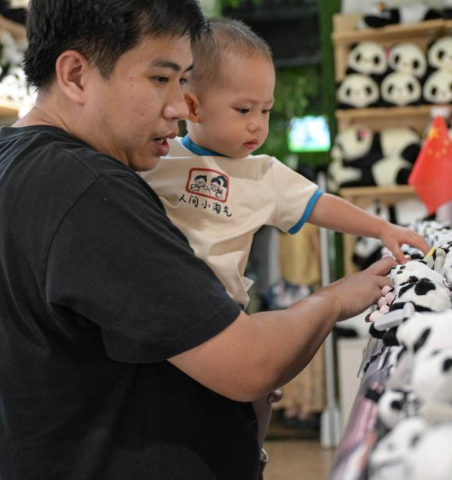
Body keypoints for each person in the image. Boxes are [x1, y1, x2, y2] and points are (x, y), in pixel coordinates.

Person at [0, 2, 394, 479]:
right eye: (160, 79)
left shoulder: (7, 159)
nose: (178, 105)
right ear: (76, 75)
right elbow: (250, 363)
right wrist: (334, 299)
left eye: (184, 80)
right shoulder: (87, 186)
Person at [140, 18, 429, 454]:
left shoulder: (264, 173)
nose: (258, 125)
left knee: (254, 398)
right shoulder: (158, 160)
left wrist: (381, 227)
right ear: (193, 107)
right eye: (244, 110)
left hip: (224, 315)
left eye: (266, 110)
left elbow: (320, 204)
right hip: (161, 314)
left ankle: (253, 456)